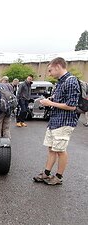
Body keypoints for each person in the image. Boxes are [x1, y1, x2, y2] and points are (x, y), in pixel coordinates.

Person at [33, 57, 80, 185]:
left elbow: (72, 106)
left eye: (50, 70)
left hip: (64, 122)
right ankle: (46, 173)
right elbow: (60, 99)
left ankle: (58, 177)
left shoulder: (71, 82)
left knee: (60, 150)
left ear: (58, 66)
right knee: (51, 149)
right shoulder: (60, 82)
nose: (49, 74)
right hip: (54, 121)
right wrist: (49, 100)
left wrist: (50, 102)